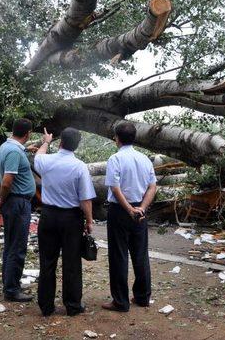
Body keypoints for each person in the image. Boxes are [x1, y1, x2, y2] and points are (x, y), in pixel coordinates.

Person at [33, 127, 96, 316]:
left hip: (48, 216)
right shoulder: (79, 166)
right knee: (71, 263)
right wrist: (89, 221)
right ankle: (72, 305)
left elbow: (38, 156)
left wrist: (46, 141)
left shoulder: (46, 161)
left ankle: (46, 306)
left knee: (47, 261)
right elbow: (85, 199)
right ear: (76, 146)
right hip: (71, 219)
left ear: (60, 143)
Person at [102, 122, 157, 312]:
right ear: (134, 138)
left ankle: (120, 301)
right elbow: (152, 186)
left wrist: (128, 209)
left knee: (118, 255)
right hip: (140, 212)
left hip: (120, 211)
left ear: (117, 138)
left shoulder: (115, 159)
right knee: (140, 254)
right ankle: (142, 297)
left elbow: (114, 188)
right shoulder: (145, 159)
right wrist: (140, 208)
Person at [0, 118, 37, 302]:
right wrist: (2, 200)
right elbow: (7, 181)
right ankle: (12, 290)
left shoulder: (8, 146)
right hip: (17, 203)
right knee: (17, 247)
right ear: (27, 134)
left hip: (15, 201)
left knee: (12, 244)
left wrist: (28, 149)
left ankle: (9, 284)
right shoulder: (13, 152)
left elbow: (16, 154)